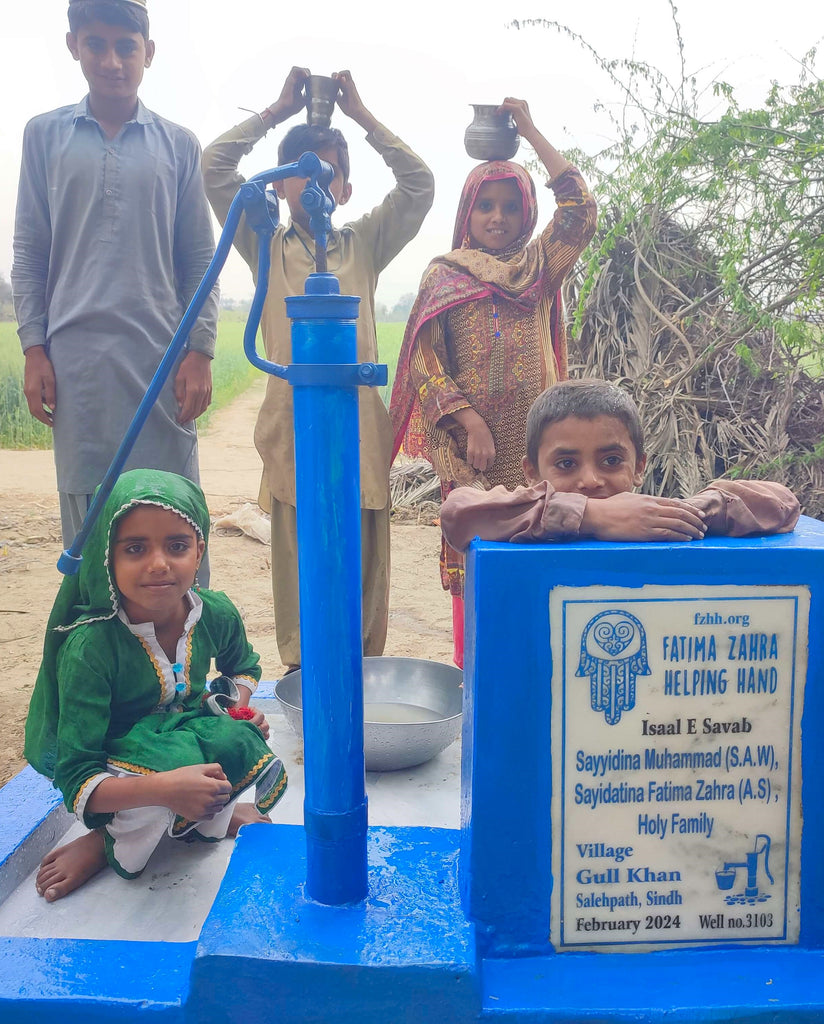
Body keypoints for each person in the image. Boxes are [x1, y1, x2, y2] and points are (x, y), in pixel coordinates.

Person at [202, 66, 434, 672]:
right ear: (279, 184)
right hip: (291, 428)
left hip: (358, 426)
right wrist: (279, 110)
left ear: (347, 189)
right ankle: (306, 675)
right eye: (301, 170)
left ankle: (364, 672)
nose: (314, 183)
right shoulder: (265, 245)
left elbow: (419, 184)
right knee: (300, 558)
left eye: (328, 172)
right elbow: (215, 166)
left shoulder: (365, 243)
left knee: (363, 559)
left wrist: (359, 115)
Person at [12, 0, 218, 582]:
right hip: (78, 368)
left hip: (161, 366)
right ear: (73, 45)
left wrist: (199, 350)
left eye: (126, 47)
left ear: (147, 54)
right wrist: (34, 347)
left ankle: (184, 664)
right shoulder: (45, 136)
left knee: (174, 511)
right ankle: (98, 661)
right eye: (96, 44)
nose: (111, 61)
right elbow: (29, 250)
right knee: (92, 522)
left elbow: (199, 257)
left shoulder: (179, 145)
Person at [389, 98, 598, 666]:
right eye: (486, 205)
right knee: (478, 561)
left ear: (527, 212)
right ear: (468, 211)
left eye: (510, 205)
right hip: (471, 453)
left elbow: (579, 207)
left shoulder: (537, 267)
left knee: (539, 551)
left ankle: (534, 672)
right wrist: (468, 419)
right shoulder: (445, 273)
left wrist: (529, 129)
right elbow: (423, 364)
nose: (497, 217)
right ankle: (475, 674)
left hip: (538, 450)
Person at [24, 469, 287, 903]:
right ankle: (106, 840)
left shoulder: (214, 611)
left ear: (200, 550)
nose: (159, 563)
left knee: (238, 736)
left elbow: (243, 666)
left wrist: (238, 708)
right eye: (135, 548)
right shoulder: (91, 646)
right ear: (106, 557)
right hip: (121, 758)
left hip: (181, 731)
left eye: (178, 546)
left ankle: (209, 819)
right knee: (172, 771)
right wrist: (164, 789)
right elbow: (77, 772)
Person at [440, 379, 801, 551]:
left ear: (639, 465)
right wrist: (594, 517)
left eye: (611, 460)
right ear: (533, 472)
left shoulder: (653, 521)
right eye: (566, 463)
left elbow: (781, 503)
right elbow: (457, 512)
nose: (591, 480)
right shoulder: (525, 519)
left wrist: (687, 514)